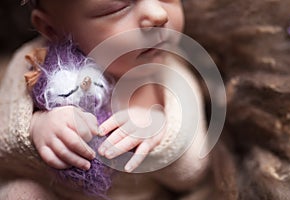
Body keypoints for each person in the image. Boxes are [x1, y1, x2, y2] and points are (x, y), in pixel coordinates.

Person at [0, 0, 210, 199]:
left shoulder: (174, 80)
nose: (158, 14)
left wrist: (163, 136)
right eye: (117, 8)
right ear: (51, 29)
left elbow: (192, 173)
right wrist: (35, 127)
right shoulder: (33, 64)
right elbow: (4, 148)